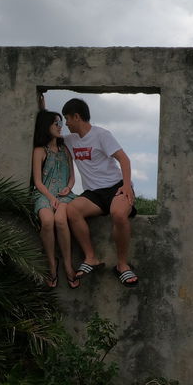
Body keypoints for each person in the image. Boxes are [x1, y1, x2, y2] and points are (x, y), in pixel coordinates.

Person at [61, 98, 139, 287]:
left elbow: (124, 160)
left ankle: (122, 265)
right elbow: (49, 130)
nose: (66, 124)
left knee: (119, 214)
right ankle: (91, 257)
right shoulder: (69, 140)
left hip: (115, 186)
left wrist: (127, 186)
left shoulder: (101, 135)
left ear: (77, 117)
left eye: (67, 119)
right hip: (93, 194)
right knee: (72, 210)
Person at [31, 110, 78, 289]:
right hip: (44, 193)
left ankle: (67, 264)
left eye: (61, 123)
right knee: (48, 221)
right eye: (56, 123)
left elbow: (72, 176)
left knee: (60, 220)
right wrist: (50, 198)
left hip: (65, 196)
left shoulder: (65, 149)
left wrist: (69, 187)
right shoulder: (39, 151)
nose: (60, 126)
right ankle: (52, 264)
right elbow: (37, 181)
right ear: (46, 126)